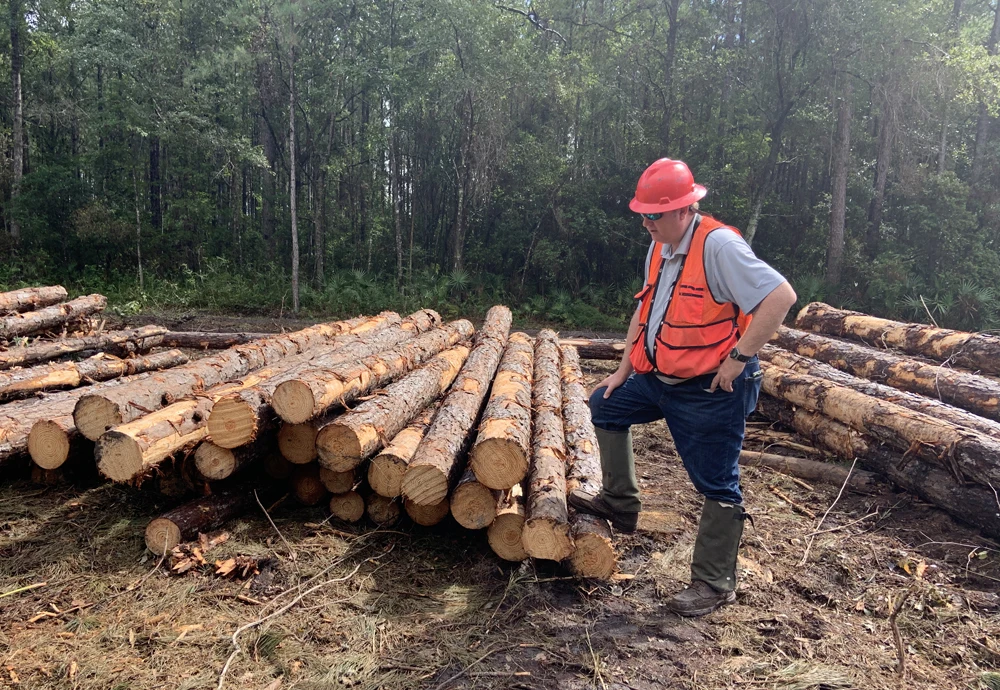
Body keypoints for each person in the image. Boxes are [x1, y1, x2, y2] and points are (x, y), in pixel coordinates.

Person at [569, 158, 797, 617]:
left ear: (683, 210)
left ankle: (714, 583)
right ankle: (620, 502)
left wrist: (739, 357)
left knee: (715, 482)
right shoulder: (659, 247)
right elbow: (645, 311)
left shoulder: (719, 247)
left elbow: (781, 297)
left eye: (653, 215)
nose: (646, 224)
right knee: (605, 405)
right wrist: (623, 371)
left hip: (710, 387)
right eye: (642, 215)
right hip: (659, 378)